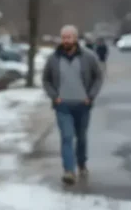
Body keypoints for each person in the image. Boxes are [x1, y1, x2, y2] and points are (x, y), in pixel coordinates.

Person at [42, 24, 104, 185]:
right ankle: (69, 171)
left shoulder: (88, 56)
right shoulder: (53, 58)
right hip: (63, 105)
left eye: (69, 37)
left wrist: (90, 96)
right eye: (63, 37)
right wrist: (54, 97)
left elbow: (98, 77)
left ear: (76, 38)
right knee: (67, 137)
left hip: (83, 105)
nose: (66, 40)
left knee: (81, 137)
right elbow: (46, 79)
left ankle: (81, 163)